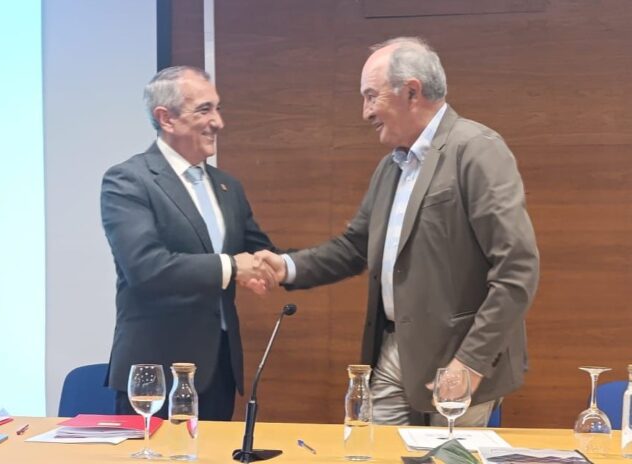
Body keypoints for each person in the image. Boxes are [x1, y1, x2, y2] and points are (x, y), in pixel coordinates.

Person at [255, 37, 539, 426]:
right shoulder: (391, 167)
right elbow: (354, 247)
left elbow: (517, 269)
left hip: (459, 355)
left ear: (411, 92)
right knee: (375, 449)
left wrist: (470, 362)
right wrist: (286, 266)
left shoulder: (476, 150)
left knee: (446, 455)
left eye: (371, 96)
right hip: (392, 349)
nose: (365, 112)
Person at [101, 66, 276, 421]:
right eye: (204, 110)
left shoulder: (227, 186)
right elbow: (146, 268)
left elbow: (262, 253)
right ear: (166, 118)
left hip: (217, 371)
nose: (218, 122)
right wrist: (232, 267)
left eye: (218, 108)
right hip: (155, 374)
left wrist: (290, 266)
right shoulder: (128, 181)